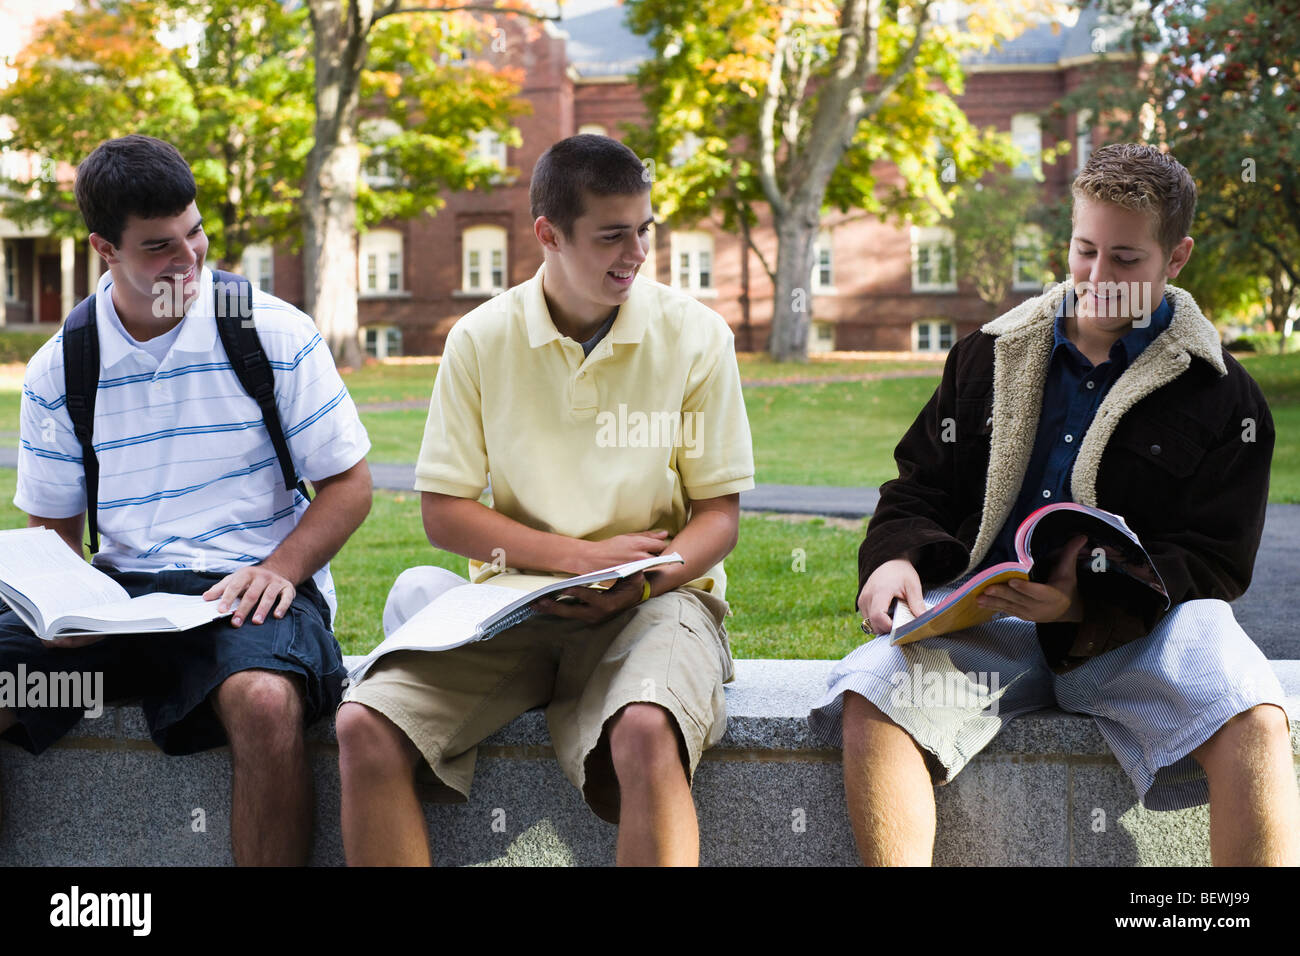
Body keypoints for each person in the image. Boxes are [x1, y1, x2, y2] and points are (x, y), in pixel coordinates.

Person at [810, 143, 1299, 865]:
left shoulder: (1225, 394)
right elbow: (917, 485)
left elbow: (1215, 562)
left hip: (1138, 632)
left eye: (1126, 260)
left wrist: (1085, 598)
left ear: (1178, 256)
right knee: (871, 691)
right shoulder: (987, 352)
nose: (1097, 279)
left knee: (1257, 720)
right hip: (990, 624)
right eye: (1084, 250)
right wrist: (892, 560)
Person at [336, 133, 755, 866]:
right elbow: (445, 512)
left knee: (648, 731)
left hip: (661, 599)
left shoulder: (696, 337)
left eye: (644, 231)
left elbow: (718, 515)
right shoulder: (478, 340)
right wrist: (577, 561)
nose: (635, 253)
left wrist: (640, 579)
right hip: (515, 607)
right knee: (364, 726)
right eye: (611, 236)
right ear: (548, 235)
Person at [0, 134, 373, 866]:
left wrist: (281, 569)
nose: (189, 260)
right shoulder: (62, 365)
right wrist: (63, 612)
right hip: (119, 607)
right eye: (159, 247)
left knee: (264, 702)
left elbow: (350, 486)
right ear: (105, 249)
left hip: (250, 589)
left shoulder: (268, 330)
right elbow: (52, 536)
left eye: (195, 233)